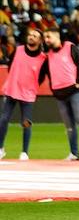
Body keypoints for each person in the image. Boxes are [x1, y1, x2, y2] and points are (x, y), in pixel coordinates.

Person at [40, 27, 79, 161]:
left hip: (77, 91)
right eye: (45, 38)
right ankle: (74, 153)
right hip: (60, 95)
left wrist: (78, 81)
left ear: (57, 36)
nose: (46, 40)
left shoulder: (70, 47)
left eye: (49, 37)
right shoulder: (48, 56)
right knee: (69, 126)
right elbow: (43, 75)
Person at [0, 27, 44, 162]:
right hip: (12, 90)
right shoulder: (18, 50)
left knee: (26, 123)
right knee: (3, 119)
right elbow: (10, 65)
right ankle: (0, 148)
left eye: (35, 36)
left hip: (28, 95)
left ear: (40, 40)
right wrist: (15, 80)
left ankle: (24, 152)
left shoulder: (43, 58)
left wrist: (30, 85)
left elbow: (41, 77)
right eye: (30, 35)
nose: (31, 37)